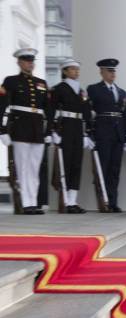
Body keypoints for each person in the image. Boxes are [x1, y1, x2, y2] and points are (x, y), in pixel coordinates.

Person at [0, 48, 53, 215]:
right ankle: (25, 202)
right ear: (19, 62)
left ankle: (33, 201)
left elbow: (48, 109)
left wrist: (49, 131)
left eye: (31, 61)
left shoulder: (41, 83)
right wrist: (2, 130)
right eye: (26, 60)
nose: (30, 63)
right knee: (22, 167)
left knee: (34, 167)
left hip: (37, 128)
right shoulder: (11, 81)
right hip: (19, 127)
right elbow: (2, 106)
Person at [50, 58, 95, 213]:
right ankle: (64, 200)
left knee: (76, 164)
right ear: (65, 71)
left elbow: (87, 113)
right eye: (73, 69)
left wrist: (87, 133)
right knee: (66, 164)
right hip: (65, 127)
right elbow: (52, 111)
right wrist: (53, 131)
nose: (76, 71)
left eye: (77, 69)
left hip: (77, 128)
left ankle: (73, 200)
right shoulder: (58, 89)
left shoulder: (81, 91)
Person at [87, 58, 126, 213]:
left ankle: (113, 201)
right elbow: (89, 112)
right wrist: (89, 133)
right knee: (102, 169)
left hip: (118, 134)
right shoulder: (94, 89)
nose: (112, 74)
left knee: (114, 170)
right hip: (103, 133)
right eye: (109, 71)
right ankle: (103, 201)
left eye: (114, 71)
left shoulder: (121, 92)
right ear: (102, 72)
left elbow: (125, 115)